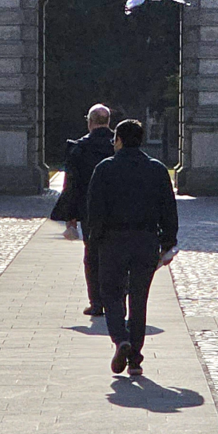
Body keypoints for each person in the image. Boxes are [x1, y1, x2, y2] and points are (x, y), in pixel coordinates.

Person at [85, 117, 178, 379]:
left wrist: (94, 240)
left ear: (118, 140)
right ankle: (135, 358)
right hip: (146, 240)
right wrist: (168, 242)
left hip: (112, 240)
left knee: (112, 294)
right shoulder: (157, 169)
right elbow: (169, 209)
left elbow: (95, 210)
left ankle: (120, 339)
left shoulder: (105, 169)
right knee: (139, 298)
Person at [61, 105, 117, 315]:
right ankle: (116, 300)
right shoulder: (118, 145)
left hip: (89, 210)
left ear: (90, 122)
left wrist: (70, 217)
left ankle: (96, 302)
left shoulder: (79, 148)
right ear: (108, 121)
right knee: (116, 256)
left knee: (92, 256)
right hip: (117, 209)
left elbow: (72, 185)